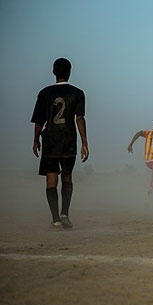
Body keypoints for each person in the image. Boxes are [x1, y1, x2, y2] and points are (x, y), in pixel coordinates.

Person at [31, 58, 89, 229]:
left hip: (50, 139)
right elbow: (79, 118)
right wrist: (84, 142)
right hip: (68, 138)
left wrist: (35, 140)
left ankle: (55, 219)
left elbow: (39, 121)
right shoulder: (77, 93)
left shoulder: (44, 93)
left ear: (53, 72)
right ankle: (65, 214)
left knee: (51, 178)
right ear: (69, 72)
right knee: (67, 176)